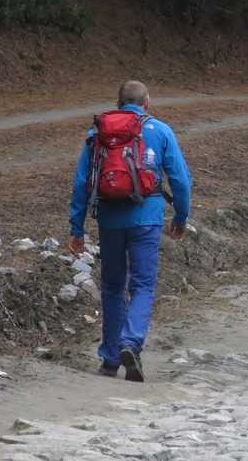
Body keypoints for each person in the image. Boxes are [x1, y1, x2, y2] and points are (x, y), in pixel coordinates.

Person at [68, 80, 192, 382]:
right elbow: (180, 179)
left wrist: (77, 227)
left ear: (118, 103)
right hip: (146, 218)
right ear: (146, 103)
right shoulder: (161, 131)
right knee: (143, 286)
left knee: (112, 286)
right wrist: (181, 216)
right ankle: (131, 343)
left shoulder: (97, 133)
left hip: (109, 219)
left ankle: (110, 359)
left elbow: (82, 181)